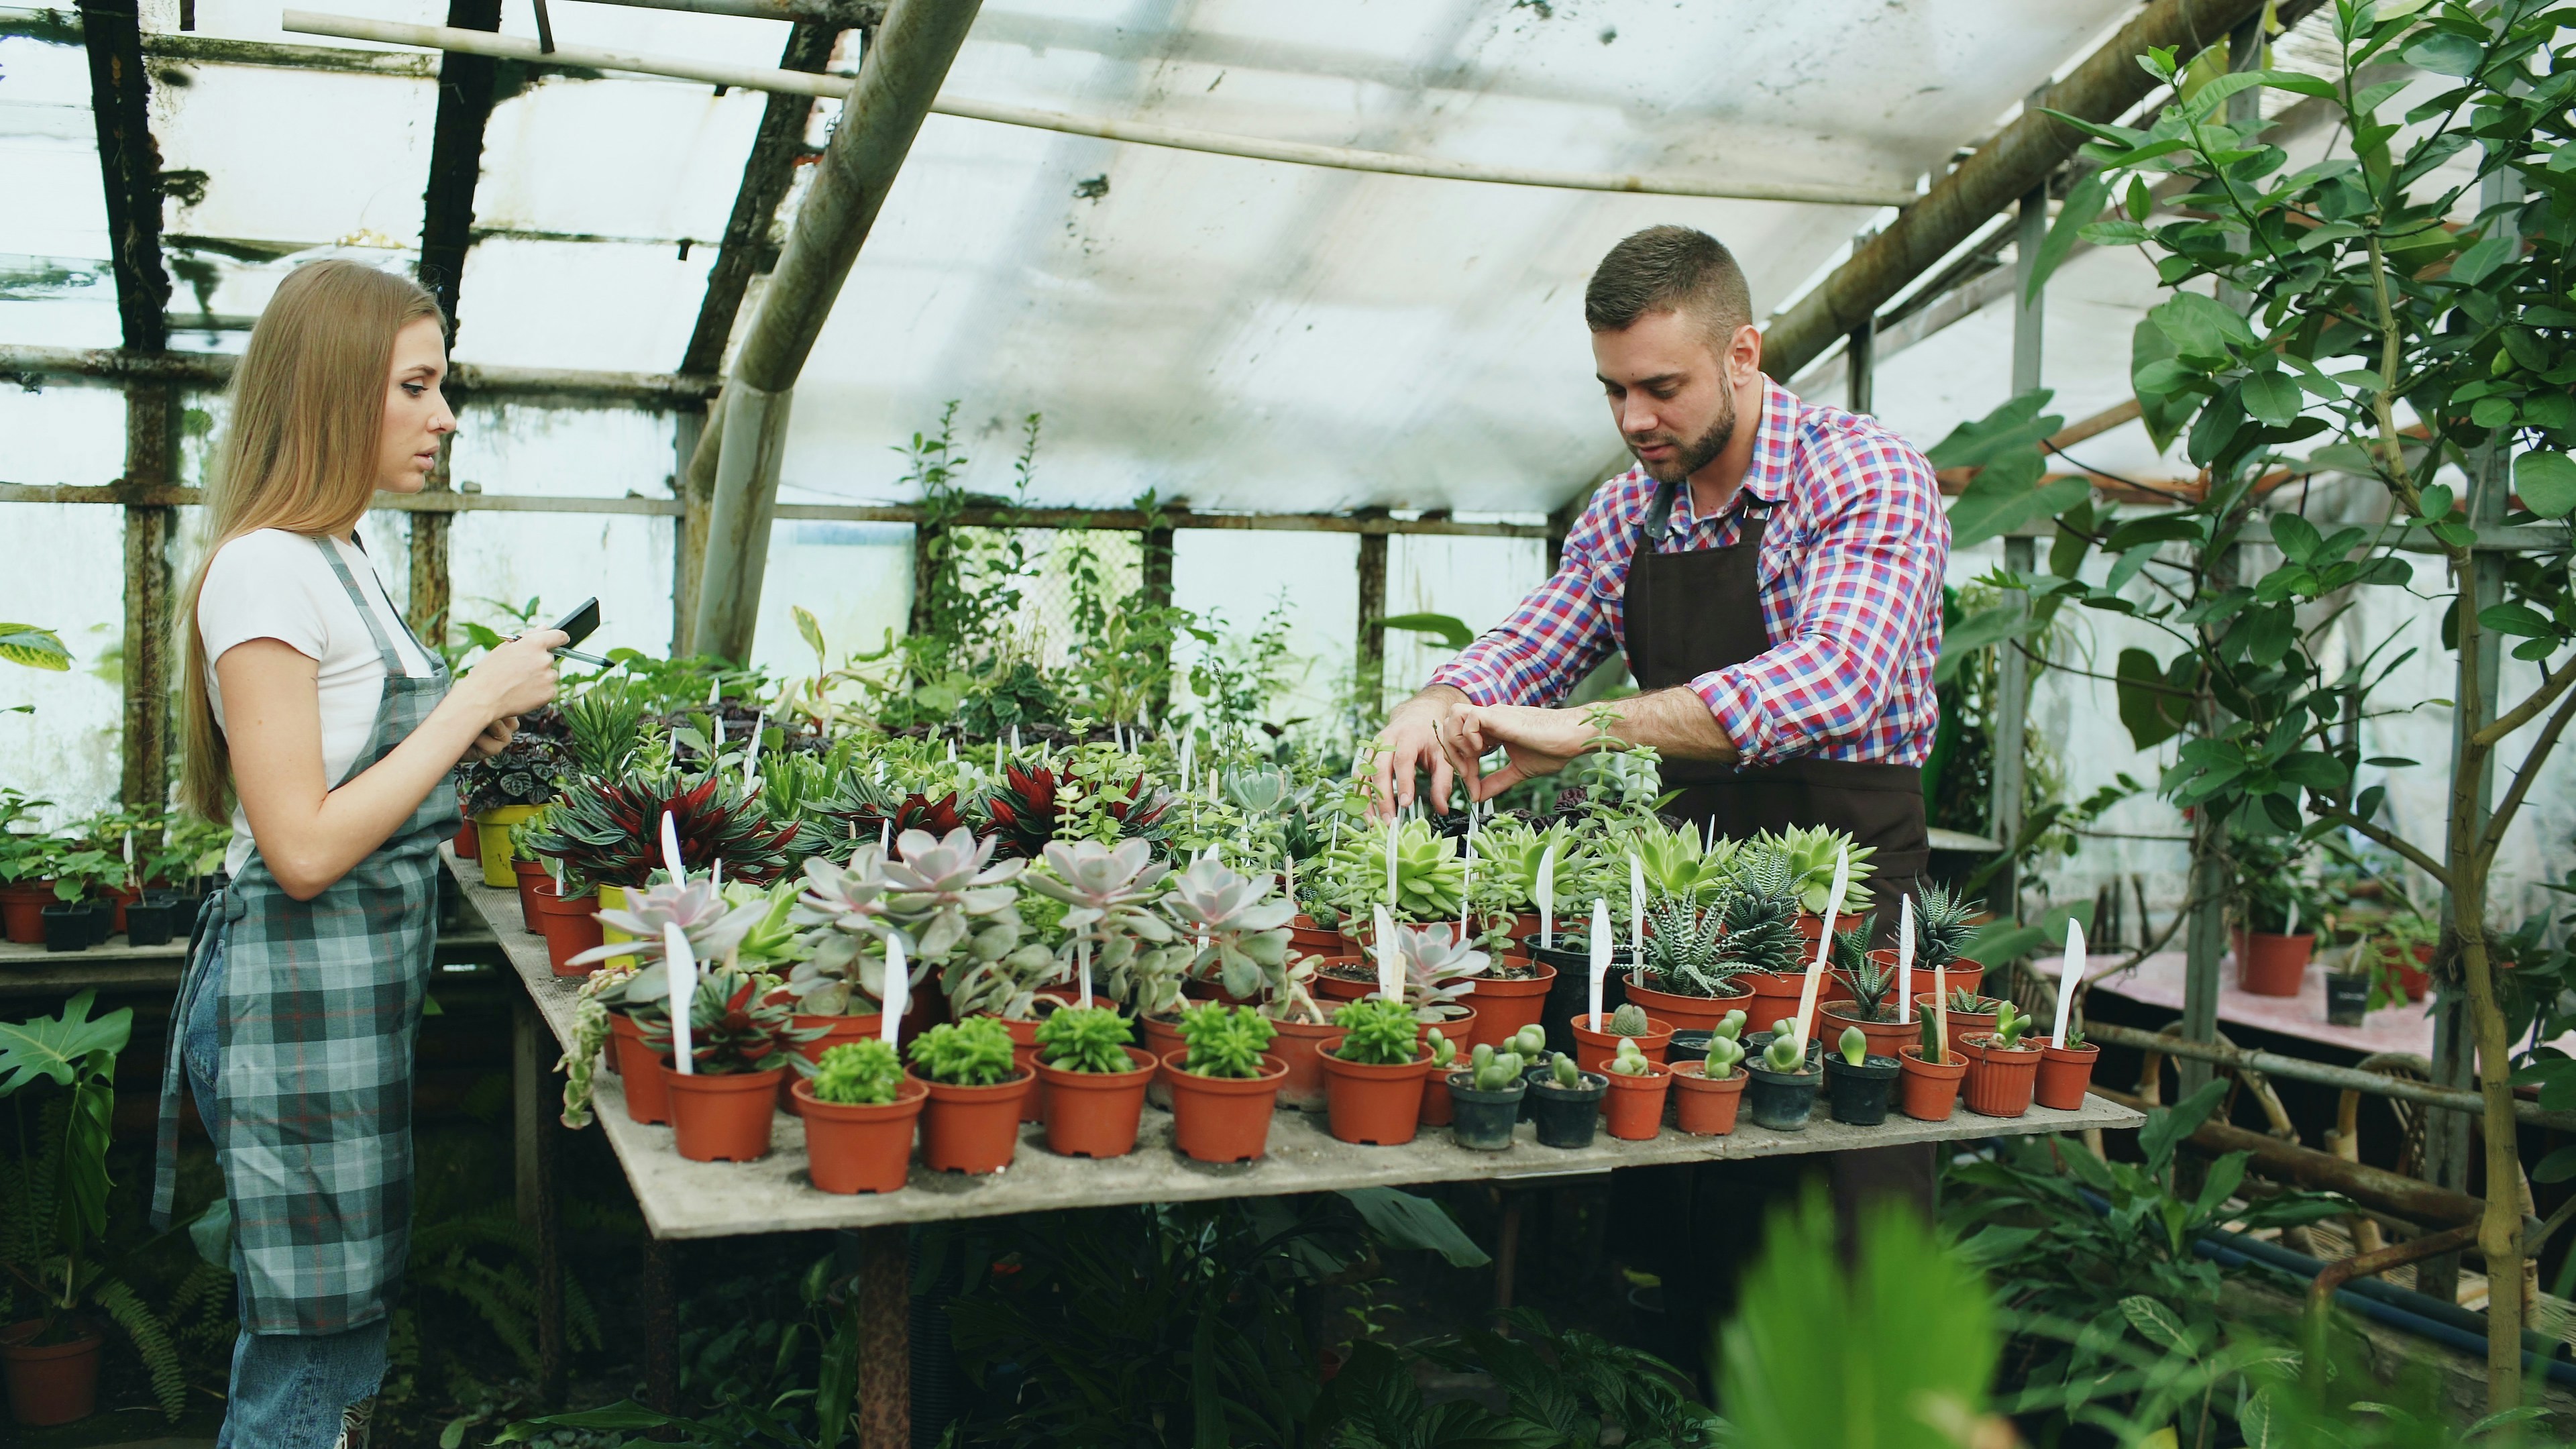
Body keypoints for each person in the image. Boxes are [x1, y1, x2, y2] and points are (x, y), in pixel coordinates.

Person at [150, 260, 567, 1449]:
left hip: (343, 1002)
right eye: (417, 387)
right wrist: (465, 699)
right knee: (310, 1361)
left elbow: (349, 774)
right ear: (336, 393)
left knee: (340, 1338)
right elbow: (300, 847)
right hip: (291, 997)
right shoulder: (267, 564)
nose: (446, 417)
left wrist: (467, 730)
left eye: (444, 386)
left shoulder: (341, 558)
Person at [1375, 225, 1949, 930]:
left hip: (1844, 901)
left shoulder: (1859, 472)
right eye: (1614, 390)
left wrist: (1592, 726)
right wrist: (1435, 704)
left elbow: (1838, 677)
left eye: (1662, 388)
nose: (1634, 419)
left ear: (1741, 354)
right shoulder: (1624, 512)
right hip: (1682, 906)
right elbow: (1530, 649)